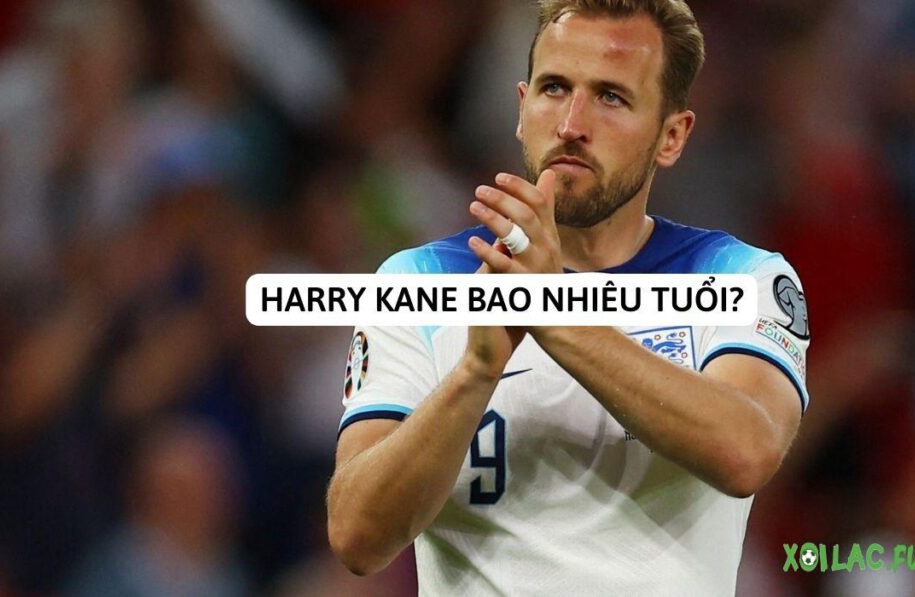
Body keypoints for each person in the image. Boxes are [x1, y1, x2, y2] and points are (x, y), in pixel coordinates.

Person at [327, 1, 810, 594]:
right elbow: (358, 537)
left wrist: (549, 312)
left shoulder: (741, 277)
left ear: (671, 136)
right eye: (554, 88)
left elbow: (746, 452)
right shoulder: (419, 281)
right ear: (521, 108)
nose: (571, 124)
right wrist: (474, 373)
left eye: (611, 96)